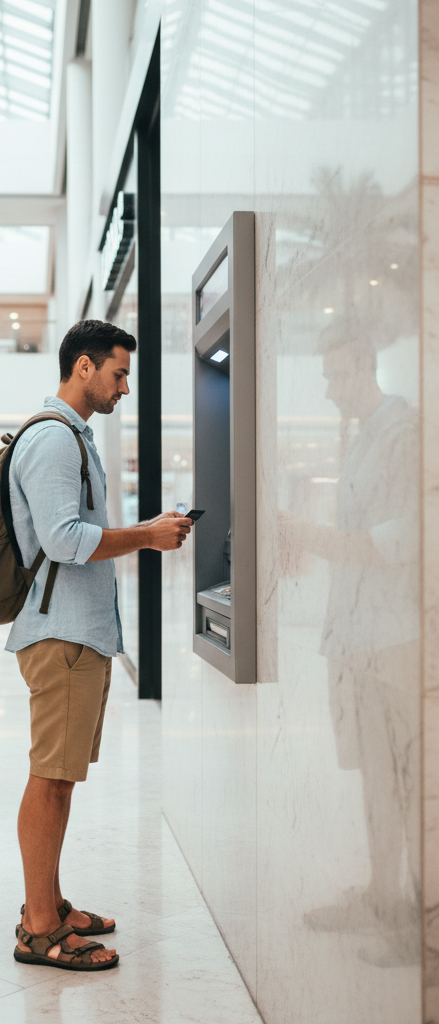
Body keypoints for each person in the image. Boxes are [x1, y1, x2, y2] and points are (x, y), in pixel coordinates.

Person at [7, 319, 192, 972]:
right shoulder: (55, 440)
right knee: (50, 781)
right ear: (83, 368)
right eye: (118, 373)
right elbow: (62, 538)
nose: (123, 386)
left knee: (60, 779)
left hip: (77, 634)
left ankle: (50, 906)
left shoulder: (70, 437)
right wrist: (144, 535)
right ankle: (38, 930)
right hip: (60, 637)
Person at [281, 322, 419, 966]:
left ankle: (417, 916)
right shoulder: (368, 438)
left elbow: (391, 545)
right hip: (361, 639)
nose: (331, 390)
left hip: (395, 640)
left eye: (338, 375)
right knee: (375, 778)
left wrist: (303, 535)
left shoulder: (405, 436)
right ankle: (384, 896)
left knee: (406, 778)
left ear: (365, 365)